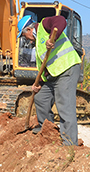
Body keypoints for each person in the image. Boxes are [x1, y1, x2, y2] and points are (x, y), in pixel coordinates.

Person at [17, 14, 81, 146]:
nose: (26, 39)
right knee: (40, 98)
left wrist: (53, 38)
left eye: (24, 35)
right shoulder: (37, 46)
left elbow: (60, 20)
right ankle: (47, 129)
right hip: (53, 76)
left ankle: (70, 144)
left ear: (29, 30)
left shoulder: (44, 25)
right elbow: (44, 67)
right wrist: (38, 84)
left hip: (67, 69)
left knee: (65, 106)